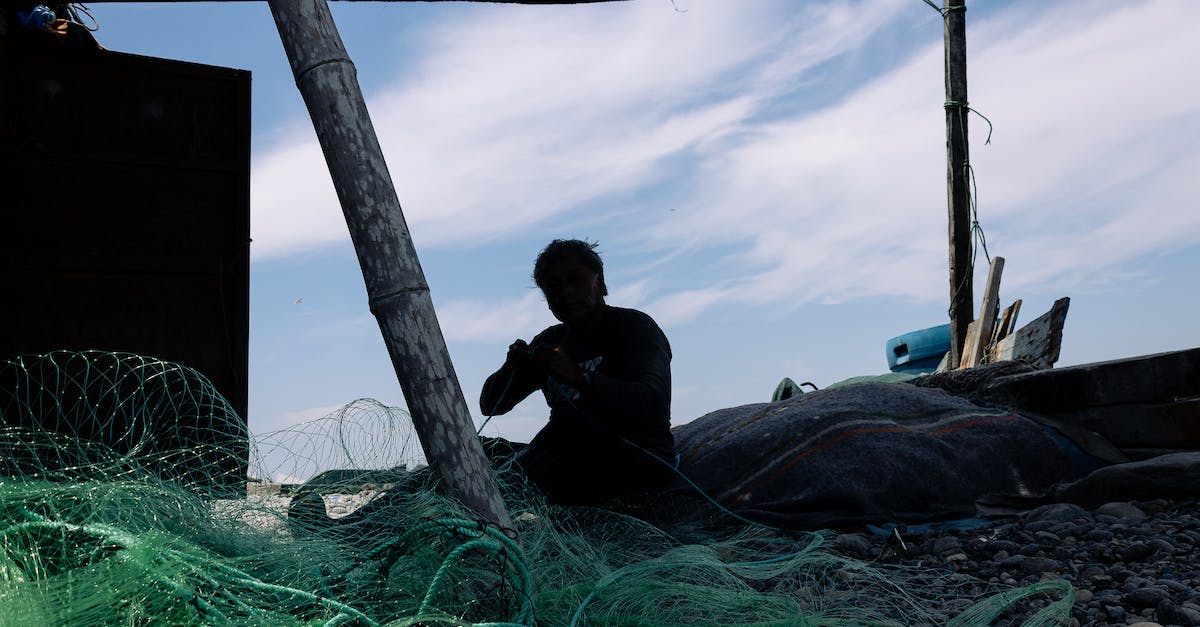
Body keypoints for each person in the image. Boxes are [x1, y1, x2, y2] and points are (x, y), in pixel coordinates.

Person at [480, 239, 675, 505]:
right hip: (568, 460)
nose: (566, 293)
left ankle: (505, 497)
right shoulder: (550, 341)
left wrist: (579, 378)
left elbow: (653, 404)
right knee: (479, 448)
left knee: (570, 424)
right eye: (553, 287)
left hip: (639, 459)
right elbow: (490, 406)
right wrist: (510, 369)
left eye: (575, 280)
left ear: (601, 282)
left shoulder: (635, 328)